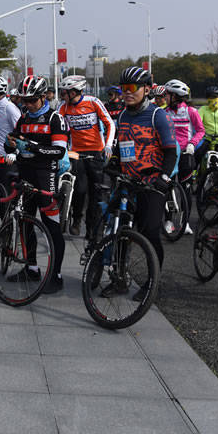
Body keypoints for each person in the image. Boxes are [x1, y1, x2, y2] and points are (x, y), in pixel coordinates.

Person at [5, 75, 68, 293]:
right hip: (26, 174)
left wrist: (31, 146)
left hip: (45, 175)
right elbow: (13, 144)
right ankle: (31, 268)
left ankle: (56, 275)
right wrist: (9, 145)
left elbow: (58, 151)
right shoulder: (23, 119)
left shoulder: (55, 119)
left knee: (51, 226)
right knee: (25, 223)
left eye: (32, 100)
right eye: (24, 100)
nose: (28, 104)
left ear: (43, 97)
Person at [114, 66, 178, 280]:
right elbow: (120, 147)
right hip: (128, 182)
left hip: (152, 184)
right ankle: (119, 278)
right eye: (124, 88)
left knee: (150, 233)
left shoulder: (158, 116)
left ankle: (152, 282)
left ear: (147, 89)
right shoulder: (122, 115)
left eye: (132, 87)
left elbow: (171, 153)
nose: (127, 92)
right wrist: (112, 163)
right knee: (121, 232)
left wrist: (164, 178)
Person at [56, 74, 115, 240]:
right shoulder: (63, 107)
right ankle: (76, 219)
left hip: (97, 152)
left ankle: (91, 229)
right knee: (80, 189)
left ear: (75, 92)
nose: (62, 95)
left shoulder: (93, 102)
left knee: (96, 194)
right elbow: (56, 126)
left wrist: (108, 145)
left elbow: (110, 123)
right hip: (77, 152)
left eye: (64, 92)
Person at [163, 79, 205, 181]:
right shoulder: (164, 112)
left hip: (185, 153)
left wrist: (192, 144)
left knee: (185, 187)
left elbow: (201, 131)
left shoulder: (191, 111)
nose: (165, 97)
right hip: (170, 154)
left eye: (167, 94)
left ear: (175, 96)